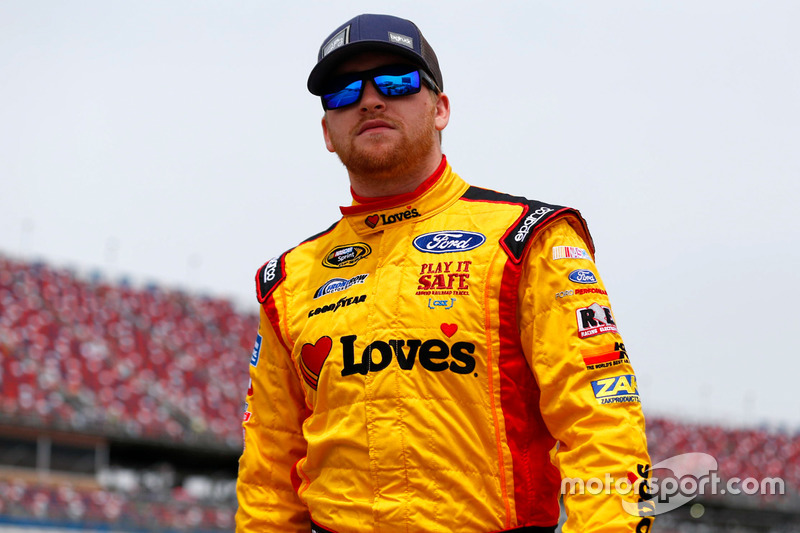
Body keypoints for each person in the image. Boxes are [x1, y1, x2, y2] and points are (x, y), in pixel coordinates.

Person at [236, 13, 654, 533]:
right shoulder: (288, 280)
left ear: (441, 109)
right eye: (343, 92)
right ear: (327, 131)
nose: (369, 99)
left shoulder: (526, 240)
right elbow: (268, 477)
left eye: (396, 81)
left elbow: (603, 428)